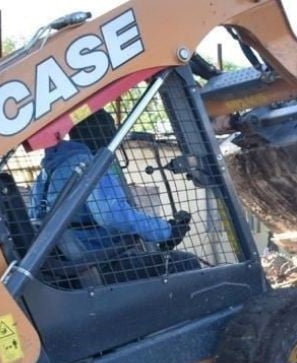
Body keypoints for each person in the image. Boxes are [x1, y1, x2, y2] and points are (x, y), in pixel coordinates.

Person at [29, 109, 195, 282]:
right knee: (184, 263)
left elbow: (34, 216)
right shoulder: (91, 164)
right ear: (103, 134)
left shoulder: (48, 172)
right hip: (98, 261)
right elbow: (112, 215)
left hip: (68, 261)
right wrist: (167, 232)